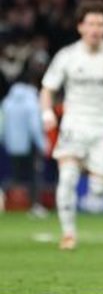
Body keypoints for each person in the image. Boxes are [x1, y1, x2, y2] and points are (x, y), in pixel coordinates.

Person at [40, 0, 103, 250]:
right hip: (75, 125)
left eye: (101, 24)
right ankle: (68, 234)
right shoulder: (67, 56)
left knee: (99, 190)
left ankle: (92, 177)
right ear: (80, 27)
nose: (96, 29)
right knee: (67, 178)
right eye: (91, 24)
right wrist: (46, 112)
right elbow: (47, 88)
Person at [2, 65, 47, 213]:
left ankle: (8, 204)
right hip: (29, 145)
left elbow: (2, 124)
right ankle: (35, 205)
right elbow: (34, 126)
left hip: (11, 145)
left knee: (14, 175)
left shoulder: (7, 102)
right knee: (34, 176)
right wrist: (43, 144)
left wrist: (5, 140)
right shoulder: (31, 101)